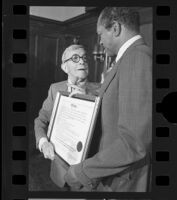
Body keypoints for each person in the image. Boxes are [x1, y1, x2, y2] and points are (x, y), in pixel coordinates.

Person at [64, 7, 152, 192]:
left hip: (121, 180)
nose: (100, 41)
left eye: (100, 34)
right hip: (111, 172)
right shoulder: (127, 58)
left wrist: (83, 172)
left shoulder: (136, 58)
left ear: (115, 28)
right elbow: (116, 102)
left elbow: (134, 142)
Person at [34, 44, 100, 188]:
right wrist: (44, 143)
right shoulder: (55, 89)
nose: (82, 61)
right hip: (60, 171)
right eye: (75, 58)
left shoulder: (101, 90)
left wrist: (85, 97)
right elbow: (40, 121)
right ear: (65, 67)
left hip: (86, 174)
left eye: (84, 58)